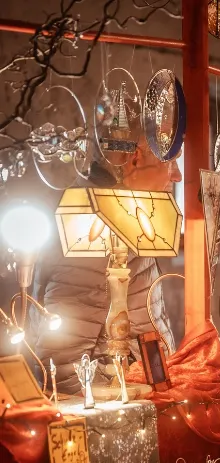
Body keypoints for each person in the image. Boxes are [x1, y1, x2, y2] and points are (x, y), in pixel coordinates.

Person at [29, 139, 182, 393]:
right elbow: (65, 371)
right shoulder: (93, 227)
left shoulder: (123, 214)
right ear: (135, 159)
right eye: (171, 162)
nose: (177, 176)